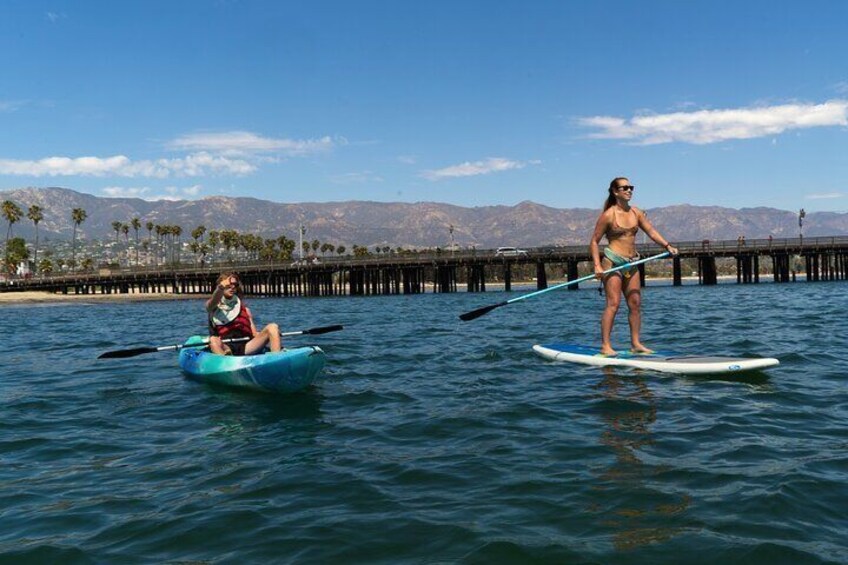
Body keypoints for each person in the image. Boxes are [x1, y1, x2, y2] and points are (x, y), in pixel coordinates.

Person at [589, 177, 679, 356]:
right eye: (625, 188)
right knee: (613, 304)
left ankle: (636, 343)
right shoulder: (608, 215)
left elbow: (651, 232)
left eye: (631, 187)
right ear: (615, 192)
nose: (629, 190)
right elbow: (594, 241)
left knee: (635, 304)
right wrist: (597, 266)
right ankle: (606, 346)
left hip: (632, 263)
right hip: (613, 262)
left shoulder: (636, 213)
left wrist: (667, 246)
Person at [206, 272, 281, 355]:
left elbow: (254, 334)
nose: (233, 287)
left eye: (235, 284)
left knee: (273, 327)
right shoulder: (212, 307)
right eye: (228, 285)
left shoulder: (245, 309)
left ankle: (277, 358)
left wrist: (269, 335)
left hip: (247, 346)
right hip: (226, 345)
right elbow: (213, 300)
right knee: (213, 340)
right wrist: (220, 287)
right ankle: (226, 360)